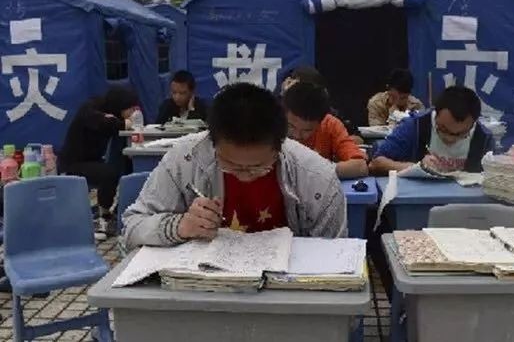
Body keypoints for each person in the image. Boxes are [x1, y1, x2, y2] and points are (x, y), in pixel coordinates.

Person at [123, 83, 347, 249]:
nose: (245, 177)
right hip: (202, 292)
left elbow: (336, 255)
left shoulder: (317, 176)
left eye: (258, 167)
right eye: (231, 166)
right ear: (211, 143)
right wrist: (179, 226)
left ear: (281, 145)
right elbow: (131, 230)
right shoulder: (185, 159)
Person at [59, 86, 138, 239]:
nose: (132, 113)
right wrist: (122, 124)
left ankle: (116, 211)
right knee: (109, 173)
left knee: (121, 167)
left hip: (93, 159)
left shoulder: (112, 113)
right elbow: (102, 122)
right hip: (73, 163)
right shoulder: (91, 108)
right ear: (120, 105)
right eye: (130, 109)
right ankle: (104, 218)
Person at [369, 86, 492, 175]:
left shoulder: (483, 137)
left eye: (460, 134)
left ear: (473, 124)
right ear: (435, 113)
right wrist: (417, 168)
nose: (449, 139)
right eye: (442, 129)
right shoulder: (415, 126)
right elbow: (376, 163)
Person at [283, 82, 368, 179]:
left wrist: (317, 169)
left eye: (307, 130)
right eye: (291, 126)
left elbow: (361, 166)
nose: (297, 135)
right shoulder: (272, 125)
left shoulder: (330, 125)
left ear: (321, 122)